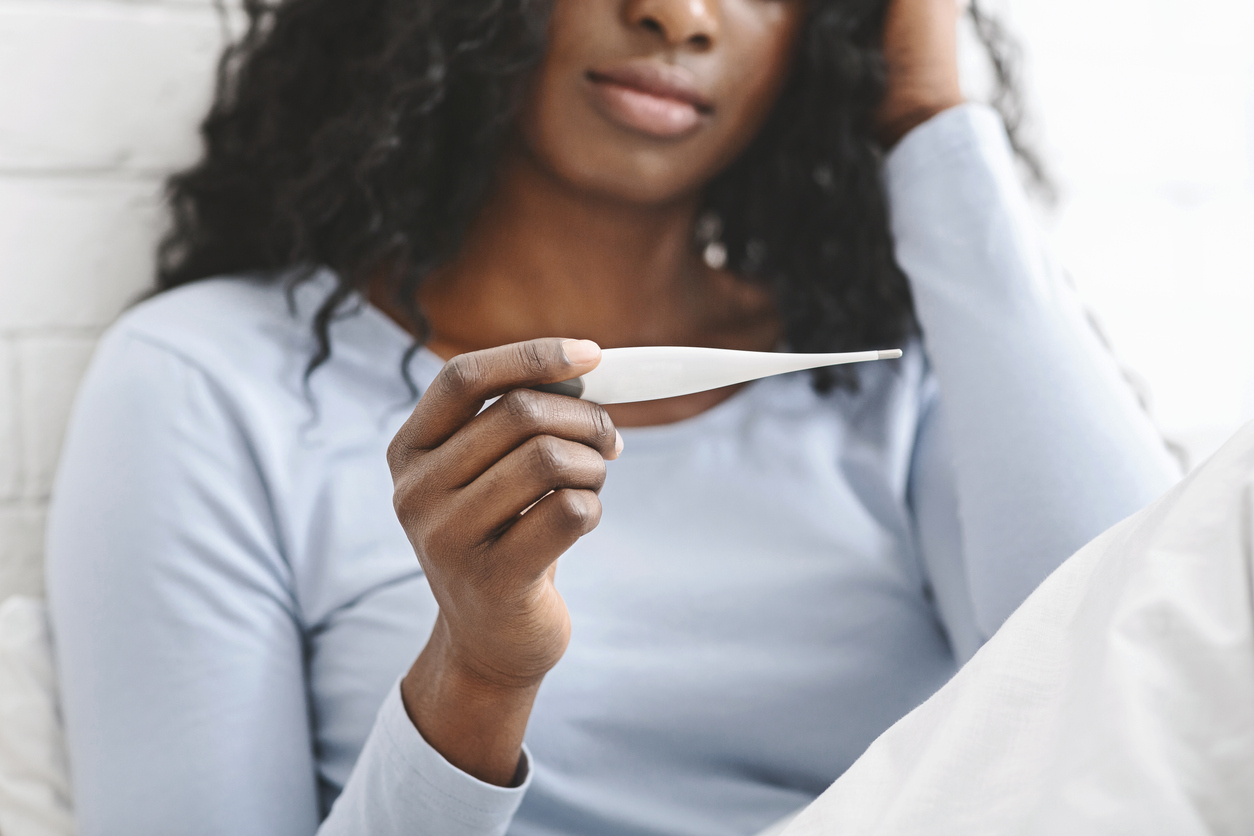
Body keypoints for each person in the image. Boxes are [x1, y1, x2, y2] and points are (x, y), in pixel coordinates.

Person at [44, 0, 1180, 834]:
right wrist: (478, 675)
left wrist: (932, 119)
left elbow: (1145, 672)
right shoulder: (210, 381)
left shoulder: (914, 380)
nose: (678, 15)